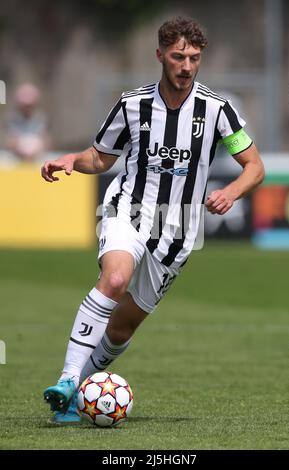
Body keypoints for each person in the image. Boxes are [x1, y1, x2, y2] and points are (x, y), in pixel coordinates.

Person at [41, 16, 265, 423]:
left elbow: (254, 166)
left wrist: (231, 192)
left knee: (122, 330)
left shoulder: (217, 110)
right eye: (179, 56)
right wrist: (72, 160)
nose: (186, 66)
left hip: (177, 235)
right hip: (128, 210)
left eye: (194, 58)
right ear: (160, 55)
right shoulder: (132, 104)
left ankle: (73, 398)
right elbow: (100, 157)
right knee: (114, 279)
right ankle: (69, 378)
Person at [6, 83, 50, 161]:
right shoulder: (11, 118)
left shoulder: (41, 118)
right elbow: (9, 140)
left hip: (37, 158)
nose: (27, 108)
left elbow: (46, 139)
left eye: (29, 105)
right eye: (24, 105)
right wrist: (19, 147)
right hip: (15, 158)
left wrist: (37, 147)